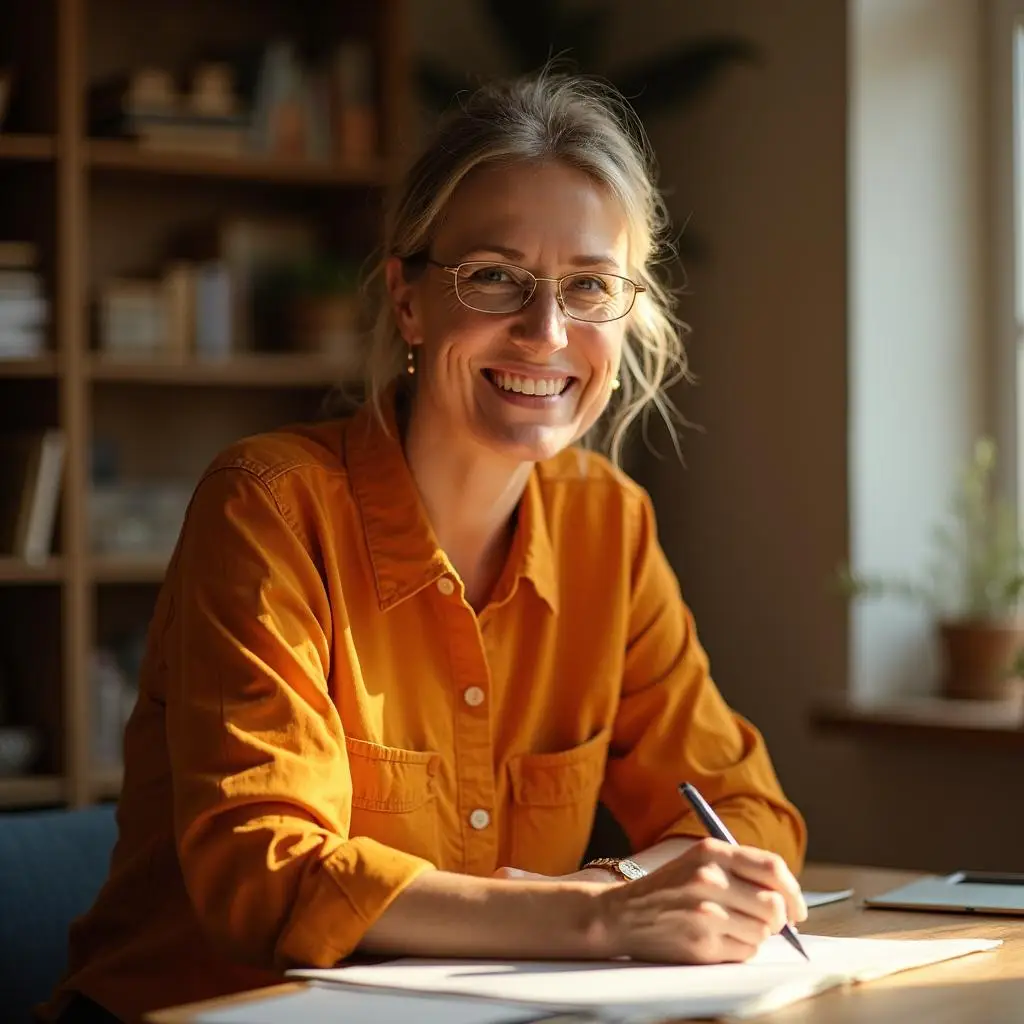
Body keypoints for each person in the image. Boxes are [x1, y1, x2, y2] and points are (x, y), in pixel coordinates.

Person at [42, 69, 807, 1024]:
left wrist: (634, 884)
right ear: (407, 300)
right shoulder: (269, 508)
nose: (545, 330)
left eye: (589, 286)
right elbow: (267, 872)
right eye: (494, 277)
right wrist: (598, 912)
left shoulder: (609, 523)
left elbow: (747, 817)